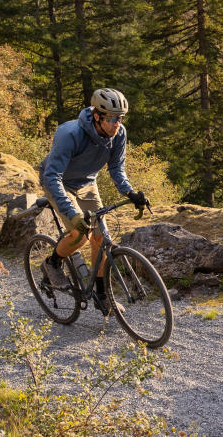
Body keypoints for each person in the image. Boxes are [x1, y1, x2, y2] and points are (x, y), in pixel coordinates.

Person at [38, 88, 149, 313]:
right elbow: (53, 176)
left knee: (100, 236)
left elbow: (117, 168)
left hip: (87, 184)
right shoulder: (69, 133)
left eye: (120, 118)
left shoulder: (119, 133)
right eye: (112, 118)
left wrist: (130, 193)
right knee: (81, 235)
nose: (117, 123)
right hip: (58, 183)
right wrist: (72, 212)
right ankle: (53, 263)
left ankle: (102, 295)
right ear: (97, 116)